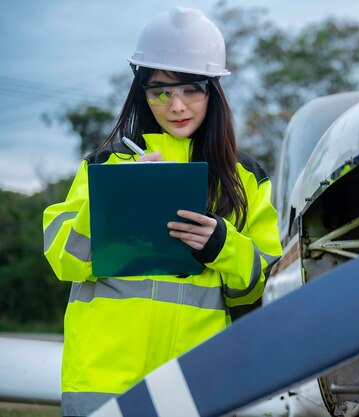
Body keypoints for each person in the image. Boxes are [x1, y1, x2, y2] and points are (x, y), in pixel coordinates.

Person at [42, 7, 282, 416]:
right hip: (103, 380)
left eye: (191, 89)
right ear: (142, 92)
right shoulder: (106, 166)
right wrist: (119, 195)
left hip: (195, 381)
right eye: (161, 91)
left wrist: (221, 244)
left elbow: (261, 286)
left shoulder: (245, 178)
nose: (176, 105)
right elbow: (64, 258)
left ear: (213, 91)